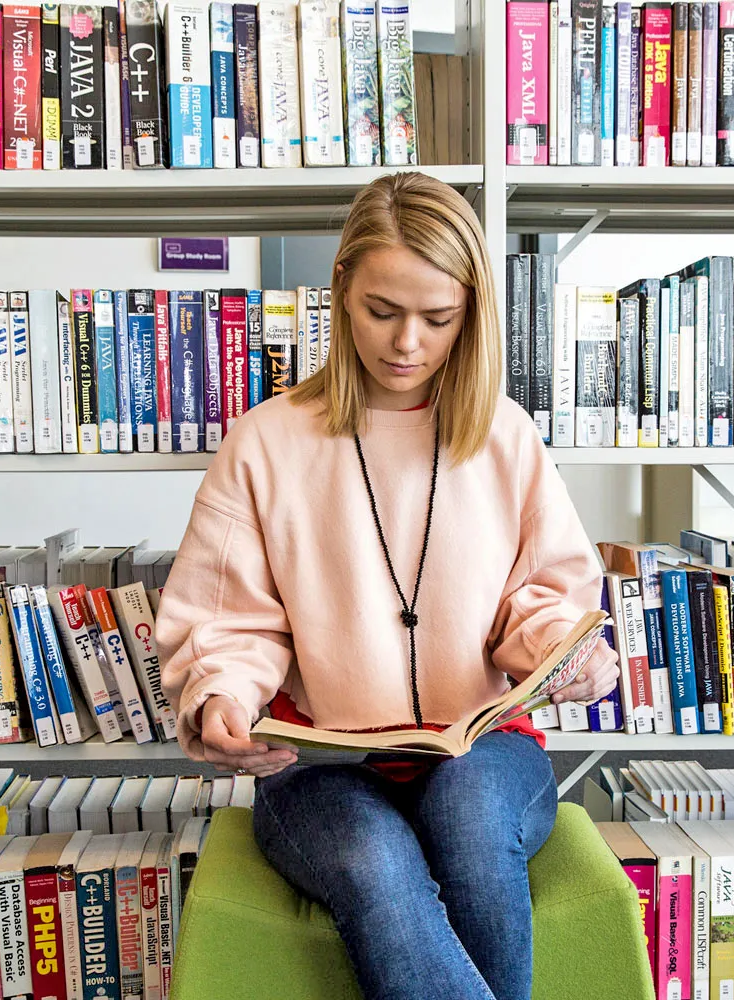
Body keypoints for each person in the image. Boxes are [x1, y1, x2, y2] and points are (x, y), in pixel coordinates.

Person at [157, 172, 620, 1000]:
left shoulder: (503, 434)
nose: (408, 342)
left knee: (472, 825)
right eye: (383, 311)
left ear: (469, 314)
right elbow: (229, 622)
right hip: (318, 760)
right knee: (374, 867)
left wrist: (563, 650)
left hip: (483, 747)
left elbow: (541, 597)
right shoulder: (264, 442)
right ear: (339, 289)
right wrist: (220, 697)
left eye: (438, 320)